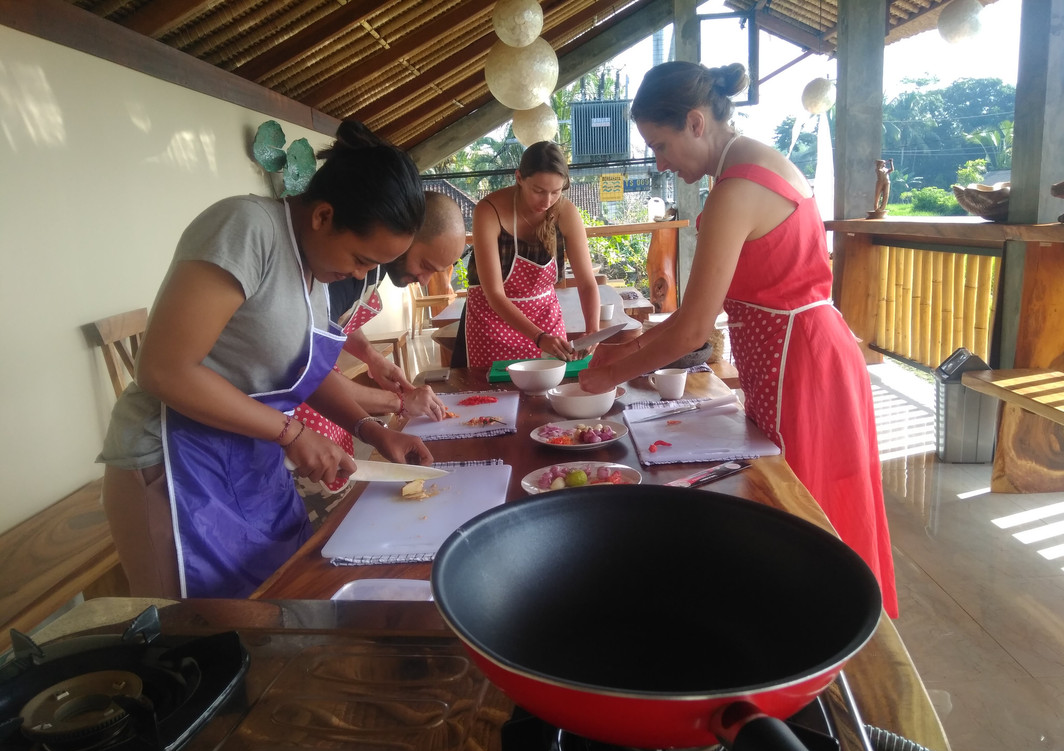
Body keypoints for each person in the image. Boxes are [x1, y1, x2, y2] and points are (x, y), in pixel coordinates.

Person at [579, 61, 898, 618]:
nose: (660, 161)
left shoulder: (736, 188)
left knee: (801, 511)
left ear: (696, 123)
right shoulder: (749, 164)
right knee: (802, 511)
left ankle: (821, 641)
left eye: (660, 144)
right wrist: (623, 352)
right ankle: (816, 630)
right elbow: (690, 319)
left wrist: (608, 375)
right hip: (803, 355)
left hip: (802, 363)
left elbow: (693, 326)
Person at [98, 120, 434, 600]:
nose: (361, 275)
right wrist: (292, 433)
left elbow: (301, 374)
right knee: (195, 634)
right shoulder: (246, 228)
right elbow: (163, 369)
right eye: (361, 259)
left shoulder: (312, 269)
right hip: (172, 464)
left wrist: (373, 431)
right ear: (322, 216)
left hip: (247, 460)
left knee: (272, 605)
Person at [293, 192, 466, 492]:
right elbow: (306, 373)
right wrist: (399, 402)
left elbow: (334, 324)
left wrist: (370, 356)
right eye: (425, 264)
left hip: (322, 403)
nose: (425, 281)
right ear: (403, 235)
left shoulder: (370, 265)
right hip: (298, 412)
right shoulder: (337, 266)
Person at [464, 141, 600, 367]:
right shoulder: (489, 211)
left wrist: (592, 330)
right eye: (538, 191)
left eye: (556, 192)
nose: (547, 202)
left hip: (547, 323)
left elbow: (587, 283)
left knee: (550, 394)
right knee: (496, 395)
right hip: (492, 323)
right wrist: (538, 337)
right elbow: (494, 294)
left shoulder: (565, 212)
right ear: (519, 178)